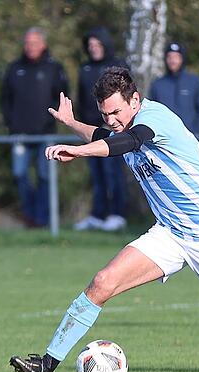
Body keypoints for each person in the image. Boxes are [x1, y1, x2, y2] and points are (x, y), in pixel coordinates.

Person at [9, 68, 199, 372]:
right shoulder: (118, 127)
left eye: (117, 112)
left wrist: (80, 152)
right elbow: (105, 134)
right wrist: (72, 124)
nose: (112, 121)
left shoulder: (153, 118)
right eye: (105, 114)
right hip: (172, 233)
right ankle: (46, 365)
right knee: (102, 282)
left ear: (135, 102)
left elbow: (125, 142)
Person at [1, 27, 69, 228]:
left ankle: (43, 219)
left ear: (43, 44)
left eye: (35, 43)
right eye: (27, 43)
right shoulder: (14, 68)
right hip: (20, 135)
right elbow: (5, 99)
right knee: (19, 174)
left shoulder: (54, 68)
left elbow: (63, 97)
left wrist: (54, 123)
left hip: (45, 135)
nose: (31, 47)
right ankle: (29, 217)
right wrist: (11, 125)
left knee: (45, 176)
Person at [73, 27, 129, 232]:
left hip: (112, 131)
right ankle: (97, 215)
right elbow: (81, 99)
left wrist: (112, 122)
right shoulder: (85, 68)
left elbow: (126, 97)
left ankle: (117, 214)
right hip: (92, 132)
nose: (94, 49)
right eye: (90, 46)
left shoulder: (117, 66)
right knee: (96, 176)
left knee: (113, 173)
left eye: (97, 45)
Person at [149, 42, 199, 134]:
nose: (172, 60)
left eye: (176, 57)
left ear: (182, 58)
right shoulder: (158, 84)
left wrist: (194, 130)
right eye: (169, 57)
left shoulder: (194, 82)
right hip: (164, 138)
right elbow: (152, 111)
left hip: (190, 137)